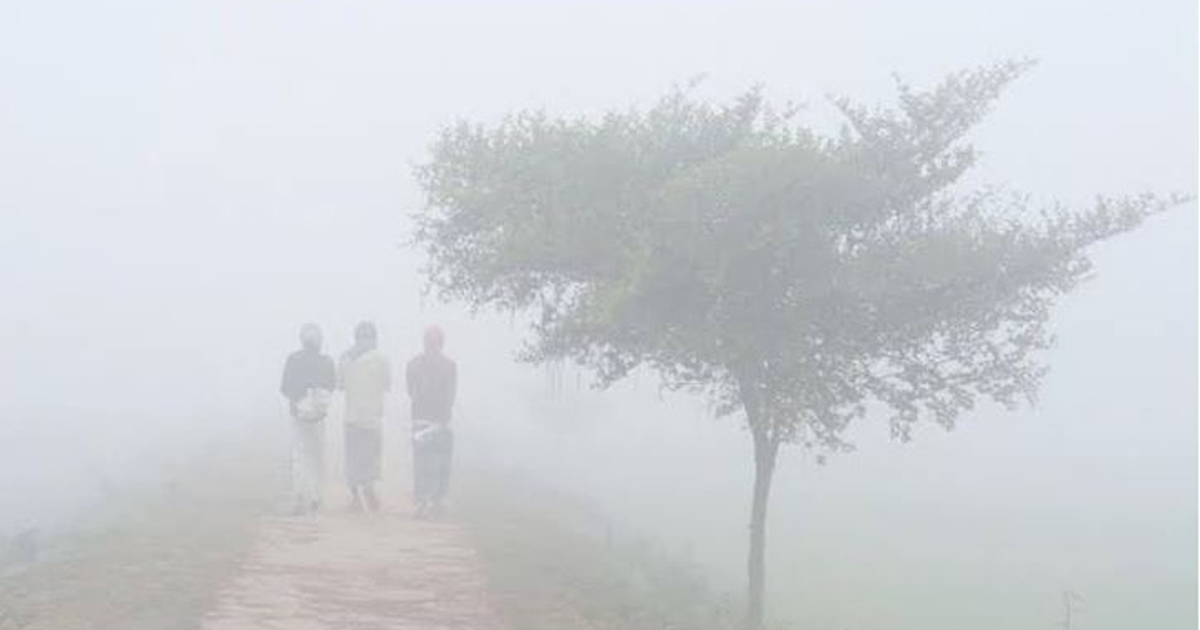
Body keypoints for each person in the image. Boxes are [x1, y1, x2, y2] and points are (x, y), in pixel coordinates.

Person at [280, 323, 335, 515]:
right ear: (320, 341)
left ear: (302, 340)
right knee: (317, 455)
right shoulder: (326, 362)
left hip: (298, 415)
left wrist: (299, 400)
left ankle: (299, 495)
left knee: (299, 455)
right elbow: (331, 386)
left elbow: (284, 388)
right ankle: (315, 496)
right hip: (319, 418)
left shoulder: (293, 360)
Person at [405, 325, 457, 518]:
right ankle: (435, 500)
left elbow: (411, 391)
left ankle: (425, 500)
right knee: (439, 462)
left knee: (424, 462)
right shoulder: (449, 366)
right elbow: (450, 395)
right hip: (438, 420)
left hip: (423, 419)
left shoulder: (413, 364)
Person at [339, 321, 391, 512]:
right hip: (372, 417)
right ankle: (369, 486)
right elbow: (387, 384)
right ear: (374, 338)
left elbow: (340, 385)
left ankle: (355, 499)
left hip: (352, 417)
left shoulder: (345, 358)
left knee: (352, 459)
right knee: (371, 457)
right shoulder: (382, 358)